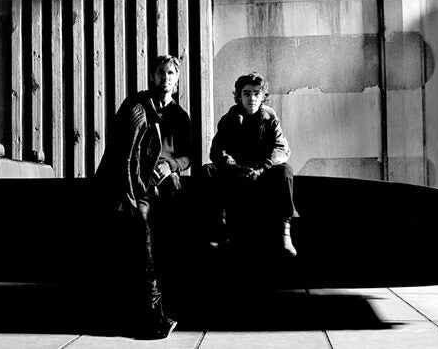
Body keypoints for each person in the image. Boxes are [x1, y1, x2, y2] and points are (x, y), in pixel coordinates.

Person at [96, 54, 191, 340]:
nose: (166, 78)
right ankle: (152, 317)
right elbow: (121, 157)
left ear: (177, 79)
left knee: (171, 240)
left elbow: (187, 157)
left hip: (165, 188)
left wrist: (170, 165)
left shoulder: (180, 116)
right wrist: (131, 197)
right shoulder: (135, 107)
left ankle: (162, 311)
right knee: (142, 239)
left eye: (172, 73)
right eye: (161, 72)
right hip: (136, 188)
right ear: (153, 76)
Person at [205, 72, 298, 256]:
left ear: (263, 96)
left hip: (263, 173)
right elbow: (217, 150)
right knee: (208, 170)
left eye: (256, 93)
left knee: (286, 169)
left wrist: (263, 168)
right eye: (247, 93)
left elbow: (282, 148)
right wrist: (235, 167)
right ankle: (220, 229)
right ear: (239, 96)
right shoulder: (230, 118)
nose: (252, 98)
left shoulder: (270, 117)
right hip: (237, 174)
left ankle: (284, 232)